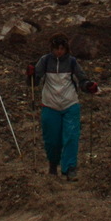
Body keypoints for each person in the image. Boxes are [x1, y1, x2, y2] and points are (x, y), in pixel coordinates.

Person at [30, 34, 93, 180]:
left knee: (71, 136)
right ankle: (53, 164)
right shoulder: (44, 61)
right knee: (52, 140)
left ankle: (70, 168)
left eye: (62, 49)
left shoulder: (72, 62)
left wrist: (89, 86)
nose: (59, 52)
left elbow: (83, 80)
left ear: (66, 49)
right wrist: (31, 74)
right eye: (56, 49)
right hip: (50, 106)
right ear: (51, 48)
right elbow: (34, 81)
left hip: (70, 104)